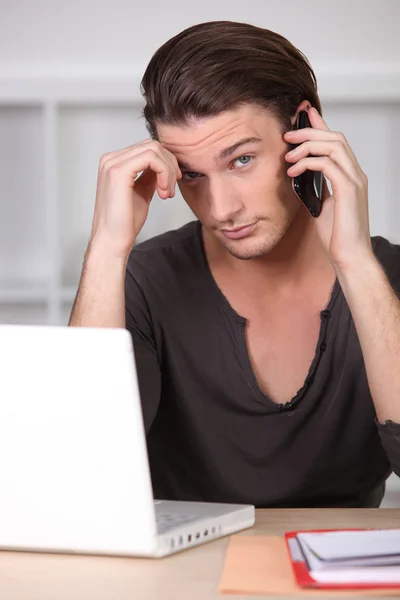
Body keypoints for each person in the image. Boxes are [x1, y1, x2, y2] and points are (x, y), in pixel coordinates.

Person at [69, 21, 400, 508]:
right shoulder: (141, 281)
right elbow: (80, 471)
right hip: (183, 578)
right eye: (193, 175)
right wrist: (105, 248)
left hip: (336, 581)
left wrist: (355, 263)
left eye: (241, 160)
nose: (220, 208)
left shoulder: (384, 279)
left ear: (304, 132)